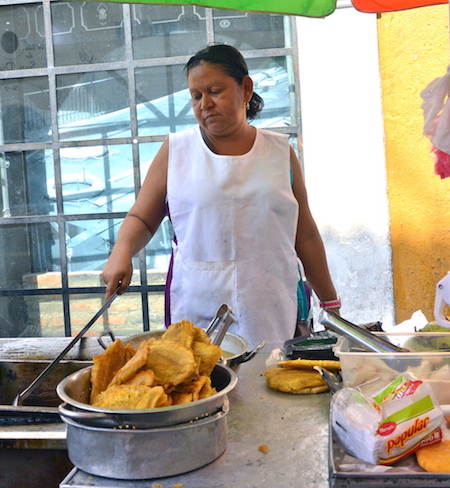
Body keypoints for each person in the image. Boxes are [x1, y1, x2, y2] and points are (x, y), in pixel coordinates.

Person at [102, 44, 340, 349]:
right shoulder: (177, 151)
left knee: (272, 378)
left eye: (215, 91)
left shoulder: (280, 152)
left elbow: (304, 234)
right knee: (200, 381)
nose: (205, 104)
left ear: (245, 88)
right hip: (198, 302)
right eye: (196, 96)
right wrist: (122, 250)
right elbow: (142, 218)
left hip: (271, 300)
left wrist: (330, 301)